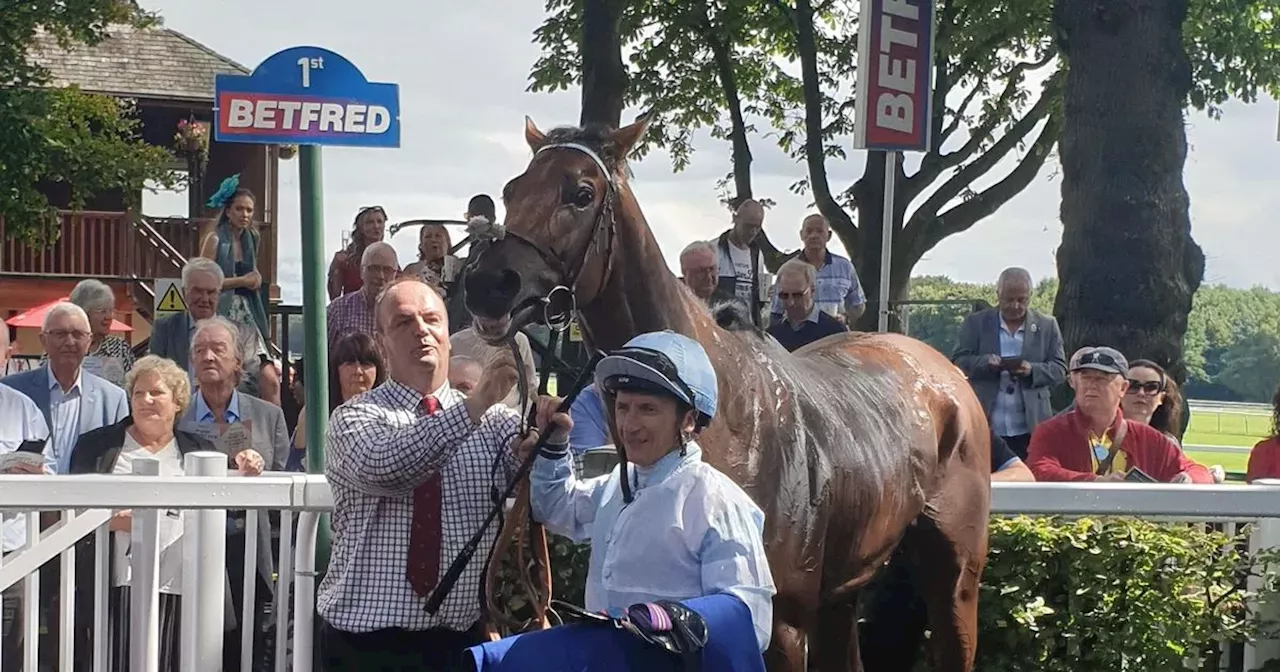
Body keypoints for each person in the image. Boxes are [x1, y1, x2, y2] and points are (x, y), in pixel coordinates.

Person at [317, 276, 524, 672]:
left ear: (448, 335)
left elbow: (548, 497)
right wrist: (472, 407)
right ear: (380, 341)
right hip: (362, 644)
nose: (421, 331)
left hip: (457, 643)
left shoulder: (497, 422)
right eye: (403, 322)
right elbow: (388, 466)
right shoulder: (355, 416)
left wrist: (550, 442)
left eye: (432, 320)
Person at [527, 330, 777, 653]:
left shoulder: (718, 502)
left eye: (647, 409)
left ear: (688, 420)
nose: (629, 425)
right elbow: (556, 509)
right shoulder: (620, 481)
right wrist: (554, 447)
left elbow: (750, 623)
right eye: (623, 407)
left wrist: (664, 625)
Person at [66, 355, 266, 672]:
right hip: (116, 587)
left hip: (184, 587)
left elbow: (229, 503)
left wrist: (247, 463)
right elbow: (73, 508)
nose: (146, 400)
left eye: (156, 393)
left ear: (177, 402)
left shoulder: (200, 450)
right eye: (138, 393)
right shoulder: (98, 446)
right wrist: (118, 519)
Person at [1026, 346, 1213, 483]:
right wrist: (1095, 482)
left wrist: (1188, 479)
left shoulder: (1149, 438)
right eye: (1085, 377)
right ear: (1073, 382)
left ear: (1123, 388)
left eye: (1102, 378)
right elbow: (1038, 470)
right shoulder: (1051, 431)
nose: (1092, 384)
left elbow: (1197, 471)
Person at [951, 267, 1066, 459]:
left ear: (1031, 295)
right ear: (998, 295)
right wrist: (985, 362)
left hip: (1031, 425)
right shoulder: (976, 323)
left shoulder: (1047, 325)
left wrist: (1032, 370)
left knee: (1030, 480)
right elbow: (958, 361)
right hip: (986, 423)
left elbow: (1060, 369)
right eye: (1008, 300)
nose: (1015, 305)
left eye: (1022, 300)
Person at [1, 302, 129, 474]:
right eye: (60, 334)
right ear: (43, 340)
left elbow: (120, 458)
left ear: (89, 341)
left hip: (89, 497)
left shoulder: (113, 399)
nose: (69, 342)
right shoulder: (14, 392)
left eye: (78, 334)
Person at [151, 257, 282, 406]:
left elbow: (252, 381)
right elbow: (155, 375)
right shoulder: (165, 329)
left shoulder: (243, 333)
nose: (204, 298)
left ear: (219, 295)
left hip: (230, 419)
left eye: (211, 292)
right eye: (198, 291)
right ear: (183, 292)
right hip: (179, 416)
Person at [198, 175, 270, 346]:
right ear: (228, 211)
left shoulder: (252, 238)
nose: (244, 214)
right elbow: (204, 283)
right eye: (239, 209)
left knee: (257, 360)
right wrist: (242, 281)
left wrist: (255, 278)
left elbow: (252, 270)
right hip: (219, 309)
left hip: (248, 308)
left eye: (249, 210)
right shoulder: (215, 239)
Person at [767, 259, 848, 352]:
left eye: (797, 295)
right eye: (784, 295)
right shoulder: (773, 334)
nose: (791, 302)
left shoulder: (835, 331)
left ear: (812, 290)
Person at [65, 278, 135, 386]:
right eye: (102, 311)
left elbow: (132, 389)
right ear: (84, 313)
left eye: (111, 311)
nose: (108, 317)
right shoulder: (61, 347)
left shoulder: (120, 348)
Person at [329, 206, 388, 300]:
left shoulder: (388, 257)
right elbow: (334, 295)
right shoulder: (349, 258)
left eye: (379, 222)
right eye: (370, 222)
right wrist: (335, 268)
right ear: (361, 228)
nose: (376, 226)